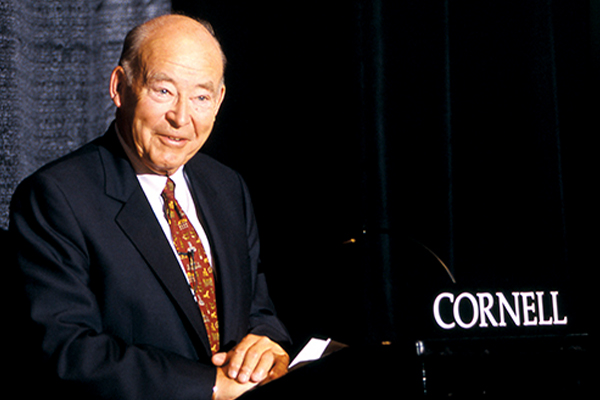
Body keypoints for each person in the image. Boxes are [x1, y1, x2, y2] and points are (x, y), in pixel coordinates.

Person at [9, 14, 290, 400]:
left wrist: (267, 345)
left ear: (220, 101)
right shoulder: (55, 197)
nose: (181, 118)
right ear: (120, 87)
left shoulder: (227, 186)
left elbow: (257, 310)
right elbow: (68, 351)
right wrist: (210, 386)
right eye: (163, 91)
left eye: (201, 97)